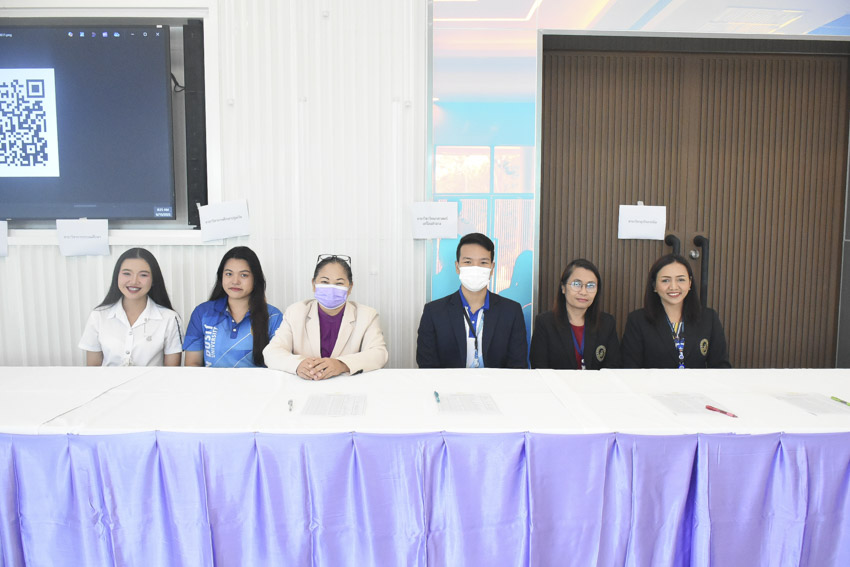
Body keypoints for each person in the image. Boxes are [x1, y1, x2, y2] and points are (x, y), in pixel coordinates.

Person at [263, 254, 388, 379]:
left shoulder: (367, 315)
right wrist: (298, 364)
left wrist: (341, 364)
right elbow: (271, 352)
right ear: (314, 284)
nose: (331, 288)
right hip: (306, 383)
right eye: (324, 282)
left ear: (350, 288)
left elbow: (379, 354)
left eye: (339, 283)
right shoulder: (296, 312)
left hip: (347, 384)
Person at [416, 232, 528, 368]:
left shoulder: (511, 312)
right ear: (457, 267)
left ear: (492, 268)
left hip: (496, 382)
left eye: (483, 262)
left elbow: (517, 366)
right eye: (468, 262)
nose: (475, 268)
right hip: (449, 383)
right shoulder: (434, 312)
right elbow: (427, 366)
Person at [621, 254, 731, 368]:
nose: (673, 287)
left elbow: (721, 366)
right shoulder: (637, 320)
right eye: (665, 280)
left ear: (690, 283)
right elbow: (630, 368)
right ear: (654, 285)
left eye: (681, 279)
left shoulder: (709, 318)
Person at [79, 248, 182, 367]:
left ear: (154, 280)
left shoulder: (170, 318)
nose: (134, 281)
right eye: (127, 273)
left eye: (143, 275)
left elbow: (172, 372)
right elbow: (93, 370)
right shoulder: (98, 316)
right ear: (117, 276)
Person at [183, 246, 282, 367]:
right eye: (229, 274)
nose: (235, 281)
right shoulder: (202, 313)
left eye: (244, 275)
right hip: (211, 380)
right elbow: (192, 364)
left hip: (257, 380)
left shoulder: (274, 316)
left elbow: (279, 363)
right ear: (221, 277)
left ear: (255, 279)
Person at [529, 258, 621, 370]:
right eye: (577, 284)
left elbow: (612, 367)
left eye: (590, 286)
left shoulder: (607, 323)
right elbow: (539, 367)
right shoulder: (545, 323)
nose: (583, 292)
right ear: (563, 288)